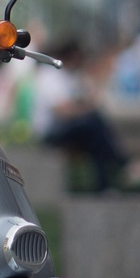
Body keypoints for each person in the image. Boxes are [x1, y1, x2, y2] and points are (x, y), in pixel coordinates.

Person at [32, 40, 129, 194]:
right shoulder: (50, 74)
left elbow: (87, 99)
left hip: (65, 128)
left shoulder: (68, 76)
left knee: (95, 136)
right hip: (50, 131)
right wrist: (87, 109)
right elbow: (62, 111)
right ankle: (119, 161)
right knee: (93, 123)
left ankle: (105, 184)